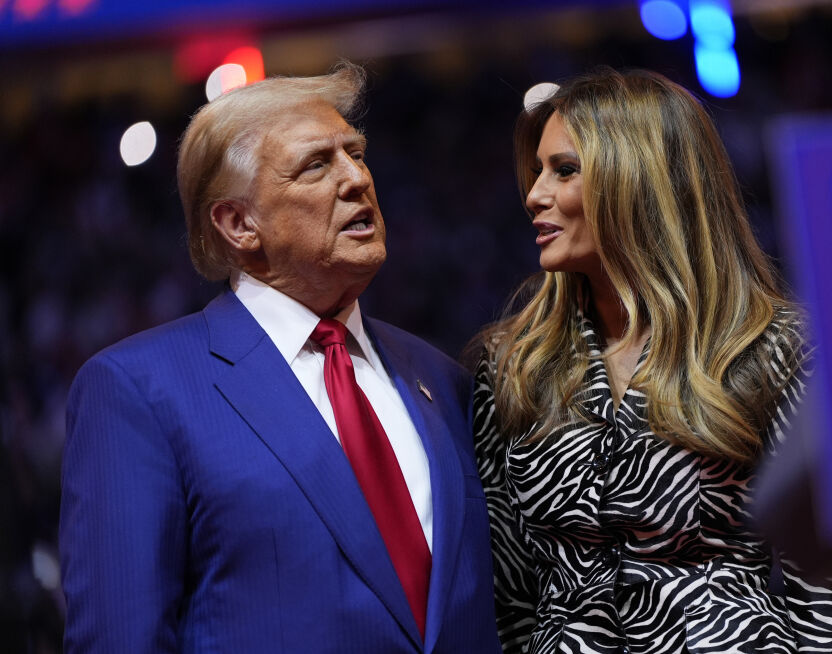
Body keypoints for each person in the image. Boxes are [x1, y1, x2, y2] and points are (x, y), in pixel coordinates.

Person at [60, 62, 501, 654]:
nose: (357, 179)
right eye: (317, 165)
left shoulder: (442, 379)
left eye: (357, 154)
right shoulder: (139, 390)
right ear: (240, 224)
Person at [473, 68, 832, 653]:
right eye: (537, 171)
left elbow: (830, 602)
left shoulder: (776, 347)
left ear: (636, 179)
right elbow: (508, 597)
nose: (534, 194)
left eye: (564, 170)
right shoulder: (512, 366)